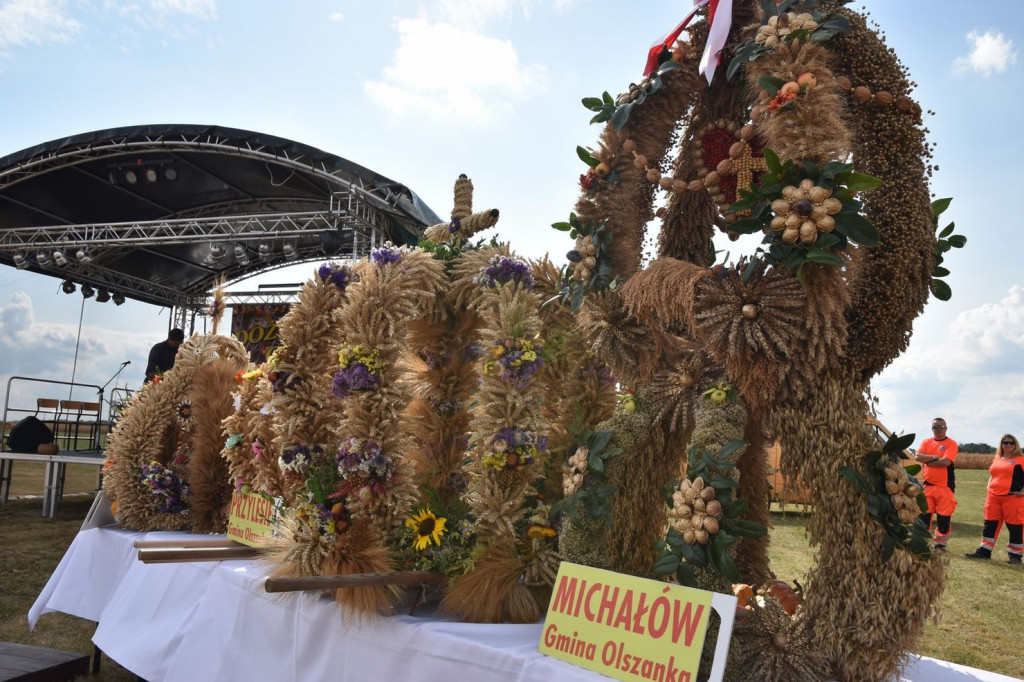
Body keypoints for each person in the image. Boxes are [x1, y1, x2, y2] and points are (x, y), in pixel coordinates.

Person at [964, 434, 1024, 564]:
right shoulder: (997, 458)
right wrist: (989, 486)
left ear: (1016, 445)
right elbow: (993, 474)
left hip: (1012, 498)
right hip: (993, 497)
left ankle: (1015, 556)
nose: (1008, 445)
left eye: (1011, 442)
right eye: (1005, 442)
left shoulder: (1021, 460)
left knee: (1015, 527)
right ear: (1001, 444)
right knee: (989, 525)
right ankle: (984, 551)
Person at [915, 417, 958, 552]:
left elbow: (946, 462)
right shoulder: (926, 442)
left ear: (946, 428)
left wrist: (927, 460)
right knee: (923, 516)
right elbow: (917, 457)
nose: (938, 429)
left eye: (941, 427)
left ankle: (940, 546)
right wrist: (934, 458)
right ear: (932, 429)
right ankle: (921, 543)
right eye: (935, 427)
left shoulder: (951, 443)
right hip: (927, 486)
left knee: (944, 518)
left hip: (945, 488)